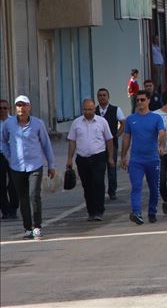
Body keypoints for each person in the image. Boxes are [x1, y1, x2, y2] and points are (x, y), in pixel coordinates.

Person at [1, 96, 55, 239]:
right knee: (23, 198)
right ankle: (27, 228)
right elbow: (3, 141)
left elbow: (46, 145)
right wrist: (9, 156)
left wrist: (51, 165)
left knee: (34, 196)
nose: (21, 108)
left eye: (24, 105)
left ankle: (37, 226)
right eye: (18, 105)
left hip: (35, 165)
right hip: (16, 167)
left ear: (29, 107)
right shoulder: (9, 124)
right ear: (15, 108)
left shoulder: (38, 124)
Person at [120, 90, 166, 225]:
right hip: (136, 160)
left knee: (153, 187)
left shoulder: (156, 118)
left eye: (142, 100)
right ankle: (137, 213)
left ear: (148, 101)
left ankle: (152, 212)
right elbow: (126, 138)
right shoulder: (130, 119)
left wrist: (161, 146)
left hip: (152, 159)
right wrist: (123, 156)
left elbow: (162, 133)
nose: (139, 102)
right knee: (136, 186)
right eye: (137, 100)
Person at [67, 99, 114, 221]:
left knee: (98, 183)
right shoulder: (76, 123)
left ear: (94, 109)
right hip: (82, 158)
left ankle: (99, 210)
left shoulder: (102, 122)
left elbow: (109, 140)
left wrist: (110, 157)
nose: (88, 112)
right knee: (87, 186)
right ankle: (91, 211)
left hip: (98, 156)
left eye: (90, 109)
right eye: (86, 109)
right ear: (83, 110)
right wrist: (69, 159)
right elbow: (72, 141)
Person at [95, 88, 125, 200]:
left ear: (108, 97)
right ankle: (100, 190)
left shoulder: (116, 109)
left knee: (111, 167)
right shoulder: (93, 110)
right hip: (97, 145)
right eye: (100, 95)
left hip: (112, 143)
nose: (102, 97)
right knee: (99, 169)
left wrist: (117, 134)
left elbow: (123, 122)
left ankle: (112, 191)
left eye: (104, 95)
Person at [0, 99, 19, 220]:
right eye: (0, 108)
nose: (2, 110)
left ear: (9, 109)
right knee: (1, 184)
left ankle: (13, 209)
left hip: (13, 156)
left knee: (13, 184)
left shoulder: (14, 122)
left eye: (5, 108)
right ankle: (5, 210)